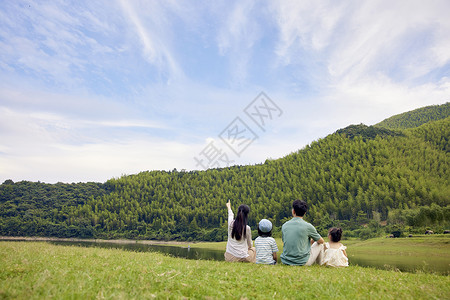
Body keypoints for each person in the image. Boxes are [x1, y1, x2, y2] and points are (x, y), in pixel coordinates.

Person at [280, 199, 324, 265]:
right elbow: (321, 241)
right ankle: (319, 265)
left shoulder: (285, 225)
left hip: (286, 261)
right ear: (304, 213)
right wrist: (312, 241)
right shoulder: (308, 226)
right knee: (320, 245)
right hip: (303, 262)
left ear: (293, 211)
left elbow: (285, 241)